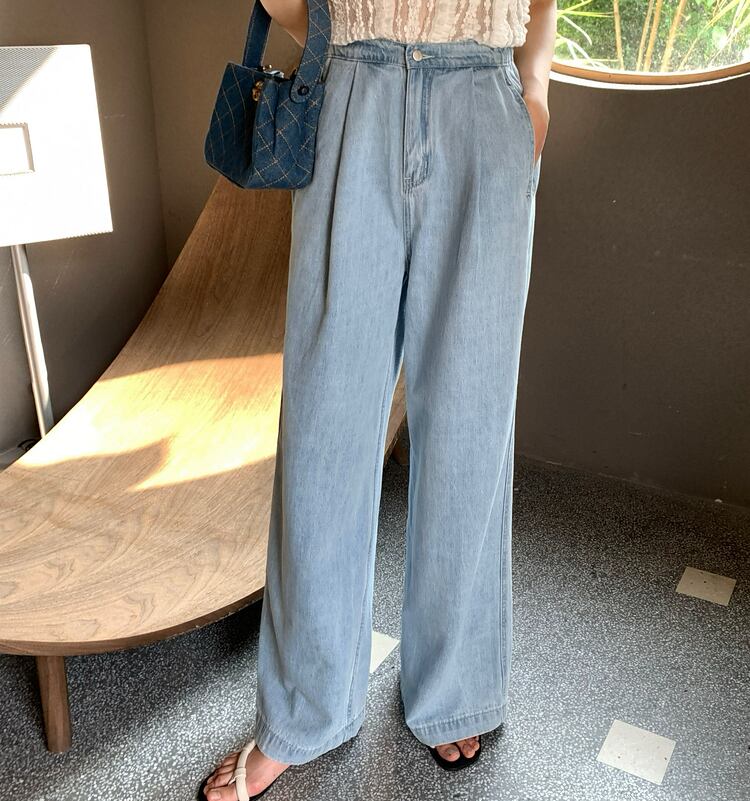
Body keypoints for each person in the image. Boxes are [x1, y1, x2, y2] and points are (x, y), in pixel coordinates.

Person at [201, 1, 556, 798]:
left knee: (470, 421)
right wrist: (348, 39)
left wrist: (534, 90)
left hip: (483, 98)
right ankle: (304, 709)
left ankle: (456, 682)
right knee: (324, 431)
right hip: (352, 95)